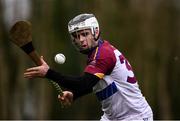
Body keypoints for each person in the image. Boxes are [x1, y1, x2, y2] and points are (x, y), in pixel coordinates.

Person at [24, 13, 153, 120]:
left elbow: (84, 83)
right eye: (76, 36)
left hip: (135, 116)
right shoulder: (97, 53)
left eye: (84, 34)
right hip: (112, 117)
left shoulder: (103, 55)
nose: (80, 40)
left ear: (95, 31)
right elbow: (94, 83)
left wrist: (49, 73)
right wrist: (74, 94)